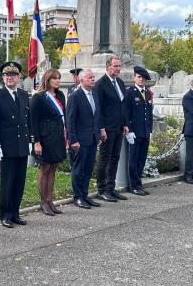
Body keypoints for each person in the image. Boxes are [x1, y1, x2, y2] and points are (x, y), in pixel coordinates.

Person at [0, 62, 32, 228]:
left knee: (19, 181)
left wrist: (29, 141)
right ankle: (5, 214)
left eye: (13, 75)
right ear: (3, 77)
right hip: (6, 146)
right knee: (7, 182)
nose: (9, 78)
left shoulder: (23, 94)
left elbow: (27, 120)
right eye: (7, 75)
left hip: (21, 145)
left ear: (18, 77)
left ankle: (15, 213)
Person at [30, 69, 67, 216]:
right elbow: (33, 121)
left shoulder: (60, 95)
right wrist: (37, 142)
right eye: (55, 78)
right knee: (45, 169)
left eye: (59, 78)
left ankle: (50, 200)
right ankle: (43, 202)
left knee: (53, 169)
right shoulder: (39, 97)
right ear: (48, 80)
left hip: (57, 136)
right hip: (45, 137)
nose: (58, 81)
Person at [66, 69, 102, 209]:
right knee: (78, 169)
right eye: (89, 77)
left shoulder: (94, 95)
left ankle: (85, 195)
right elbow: (70, 120)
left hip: (92, 138)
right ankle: (78, 197)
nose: (93, 79)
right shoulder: (75, 96)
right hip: (80, 140)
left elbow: (96, 116)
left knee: (88, 169)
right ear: (81, 81)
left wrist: (98, 134)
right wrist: (73, 140)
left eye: (93, 77)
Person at [95, 56, 128, 202]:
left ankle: (111, 188)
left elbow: (123, 105)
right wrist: (101, 128)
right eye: (115, 66)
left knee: (115, 158)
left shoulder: (120, 82)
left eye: (119, 66)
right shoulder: (101, 84)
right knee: (104, 159)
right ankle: (101, 190)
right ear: (108, 67)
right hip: (107, 128)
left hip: (119, 127)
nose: (118, 69)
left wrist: (125, 124)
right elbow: (99, 109)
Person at [122, 66, 153, 195]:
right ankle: (133, 186)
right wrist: (128, 128)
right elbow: (125, 112)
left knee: (141, 159)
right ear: (134, 78)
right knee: (133, 160)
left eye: (143, 78)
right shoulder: (130, 92)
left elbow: (149, 113)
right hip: (134, 131)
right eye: (139, 77)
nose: (141, 80)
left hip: (145, 131)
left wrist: (150, 129)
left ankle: (139, 183)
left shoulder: (147, 92)